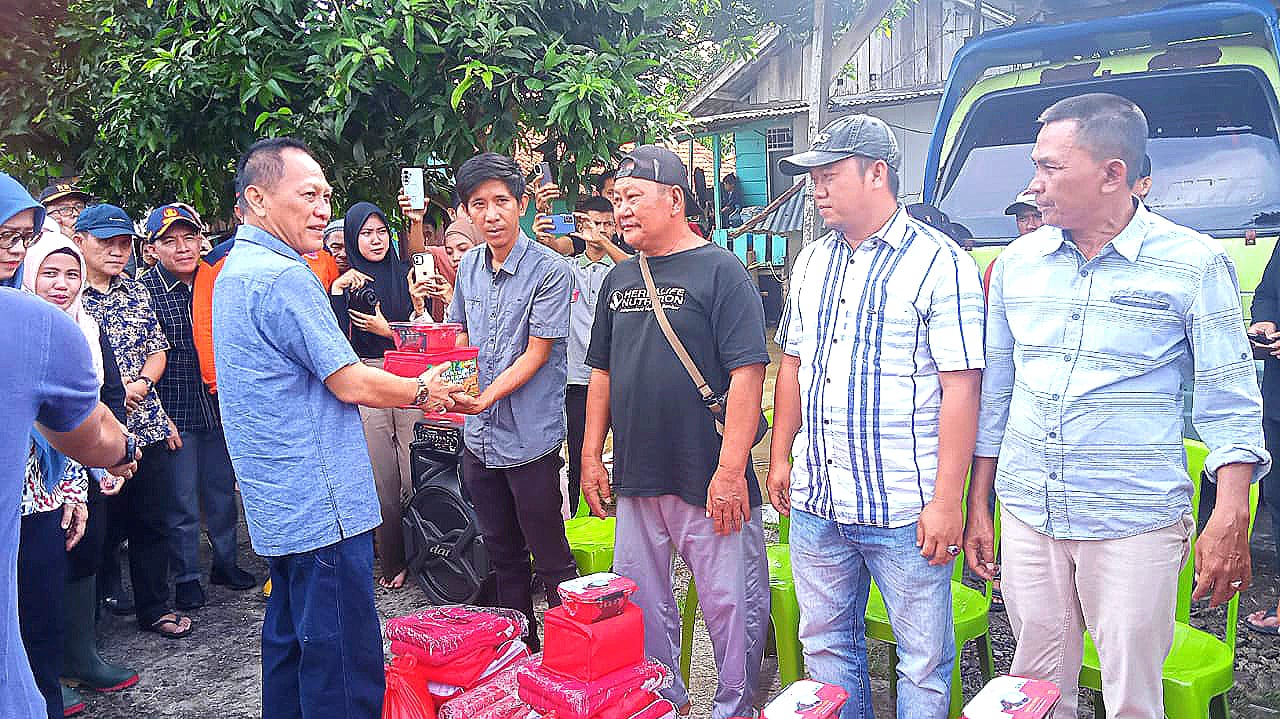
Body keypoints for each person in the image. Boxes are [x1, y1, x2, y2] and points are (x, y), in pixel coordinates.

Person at [967, 93, 1268, 719]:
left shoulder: (1192, 264)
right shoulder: (1018, 265)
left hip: (1131, 519)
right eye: (1036, 166)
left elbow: (1229, 395)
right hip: (1028, 511)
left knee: (1132, 696)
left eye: (1051, 167)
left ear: (1113, 173)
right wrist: (979, 503)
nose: (1035, 185)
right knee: (1035, 689)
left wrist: (1230, 511)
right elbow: (996, 393)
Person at [212, 138, 455, 719]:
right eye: (307, 195)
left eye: (326, 195)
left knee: (292, 642)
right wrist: (427, 389)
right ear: (258, 199)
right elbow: (348, 379)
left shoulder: (234, 270)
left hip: (280, 499)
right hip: (320, 501)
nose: (323, 208)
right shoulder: (281, 277)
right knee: (343, 656)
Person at [768, 115, 986, 719]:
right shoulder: (811, 261)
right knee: (827, 647)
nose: (816, 188)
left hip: (903, 506)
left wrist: (948, 500)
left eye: (829, 175)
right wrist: (782, 454)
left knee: (924, 662)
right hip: (819, 500)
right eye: (813, 176)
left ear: (877, 174)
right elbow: (792, 363)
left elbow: (962, 389)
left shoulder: (939, 263)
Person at [580, 146, 770, 718]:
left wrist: (732, 472)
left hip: (707, 472)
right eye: (617, 200)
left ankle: (736, 706)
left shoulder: (721, 271)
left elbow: (748, 374)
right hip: (638, 473)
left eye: (633, 197)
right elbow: (602, 374)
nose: (621, 211)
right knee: (643, 603)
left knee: (730, 603)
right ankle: (661, 702)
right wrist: (590, 456)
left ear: (674, 200)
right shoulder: (617, 279)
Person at [0, 170, 138, 719]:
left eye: (20, 238)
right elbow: (91, 431)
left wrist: (76, 488)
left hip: (51, 492)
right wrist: (122, 452)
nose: (12, 252)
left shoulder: (69, 324)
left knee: (46, 605)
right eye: (3, 238)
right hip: (32, 498)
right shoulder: (31, 325)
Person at [446, 152, 578, 650]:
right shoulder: (469, 266)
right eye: (478, 204)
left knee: (550, 554)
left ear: (521, 204)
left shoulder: (550, 269)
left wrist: (483, 397)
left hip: (529, 438)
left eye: (501, 201)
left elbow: (538, 353)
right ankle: (519, 650)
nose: (491, 214)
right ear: (467, 212)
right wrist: (453, 386)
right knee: (501, 551)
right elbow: (461, 337)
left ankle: (570, 655)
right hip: (478, 438)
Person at [75, 203, 194, 638]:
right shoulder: (66, 293)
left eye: (124, 242)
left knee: (153, 519)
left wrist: (141, 383)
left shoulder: (136, 290)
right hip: (92, 431)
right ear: (80, 241)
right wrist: (112, 394)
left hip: (146, 422)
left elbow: (157, 348)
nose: (116, 250)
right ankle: (85, 628)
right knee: (97, 528)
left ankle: (154, 608)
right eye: (106, 241)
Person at [141, 203, 257, 611]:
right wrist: (157, 417)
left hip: (220, 407)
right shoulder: (145, 292)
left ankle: (225, 563)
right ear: (152, 249)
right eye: (169, 241)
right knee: (182, 501)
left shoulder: (217, 279)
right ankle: (187, 575)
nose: (182, 248)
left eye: (189, 237)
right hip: (175, 411)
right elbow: (138, 358)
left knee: (222, 493)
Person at [328, 201, 420, 589]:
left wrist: (390, 330)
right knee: (382, 476)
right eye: (366, 233)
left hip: (409, 372)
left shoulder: (406, 275)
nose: (376, 240)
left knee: (415, 468)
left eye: (381, 231)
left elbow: (427, 335)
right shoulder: (347, 283)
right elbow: (331, 341)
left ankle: (427, 555)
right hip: (367, 375)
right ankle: (394, 560)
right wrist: (336, 291)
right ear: (352, 240)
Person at [564, 202, 615, 517]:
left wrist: (605, 241)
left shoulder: (627, 266)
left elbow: (637, 272)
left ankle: (628, 522)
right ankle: (579, 521)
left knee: (631, 457)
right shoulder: (567, 269)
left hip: (622, 378)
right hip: (578, 379)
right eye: (594, 224)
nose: (600, 230)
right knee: (582, 454)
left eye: (607, 224)